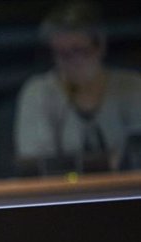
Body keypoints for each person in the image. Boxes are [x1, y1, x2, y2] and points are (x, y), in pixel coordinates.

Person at [14, 1, 141, 175]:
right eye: (61, 54)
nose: (70, 63)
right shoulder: (38, 93)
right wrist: (107, 161)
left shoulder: (132, 87)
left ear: (100, 47)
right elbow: (35, 165)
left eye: (78, 51)